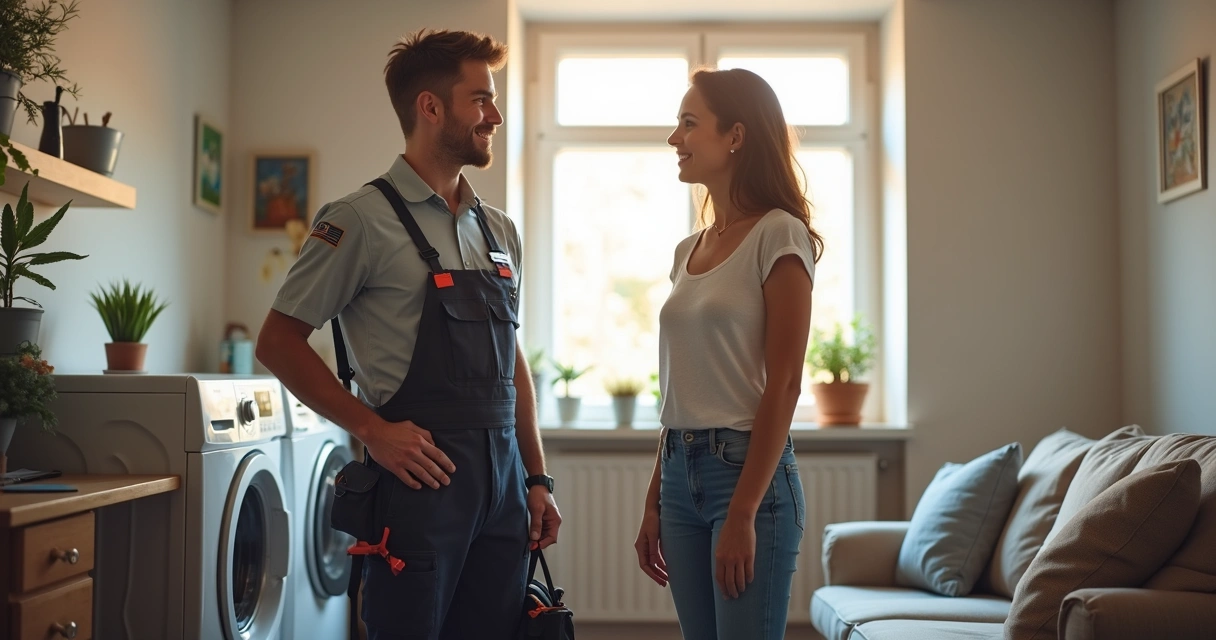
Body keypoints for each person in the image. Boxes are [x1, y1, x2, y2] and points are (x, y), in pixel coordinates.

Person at [256, 28, 561, 640]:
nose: (495, 116)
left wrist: (536, 477)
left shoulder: (499, 230)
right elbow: (278, 341)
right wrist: (372, 430)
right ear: (430, 107)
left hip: (504, 491)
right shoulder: (358, 221)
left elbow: (512, 362)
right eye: (481, 100)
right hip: (419, 486)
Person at [634, 67, 824, 640]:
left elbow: (786, 384)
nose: (675, 139)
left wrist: (744, 510)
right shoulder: (686, 250)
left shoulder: (779, 234)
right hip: (678, 474)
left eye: (689, 124)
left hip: (746, 478)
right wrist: (653, 499)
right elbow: (682, 389)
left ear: (736, 135)